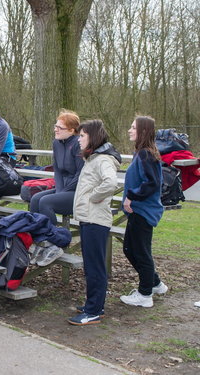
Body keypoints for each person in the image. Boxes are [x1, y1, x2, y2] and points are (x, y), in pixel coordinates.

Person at [68, 120, 120, 326]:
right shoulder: (93, 159)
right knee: (91, 265)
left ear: (92, 137)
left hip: (95, 219)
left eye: (82, 136)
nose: (78, 139)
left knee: (95, 266)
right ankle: (94, 304)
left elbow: (111, 183)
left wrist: (94, 198)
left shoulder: (102, 160)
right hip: (88, 218)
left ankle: (94, 311)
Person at [120, 116, 168, 308]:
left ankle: (145, 294)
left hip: (144, 211)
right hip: (138, 211)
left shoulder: (146, 154)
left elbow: (152, 183)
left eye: (133, 127)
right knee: (129, 249)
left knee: (140, 252)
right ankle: (155, 283)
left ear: (143, 131)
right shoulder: (141, 153)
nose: (130, 130)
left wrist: (132, 196)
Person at [29, 110, 84, 225]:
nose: (55, 129)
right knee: (35, 199)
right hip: (62, 188)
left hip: (77, 192)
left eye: (60, 127)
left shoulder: (78, 144)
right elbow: (57, 170)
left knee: (45, 202)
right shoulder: (56, 143)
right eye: (55, 126)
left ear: (71, 130)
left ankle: (53, 236)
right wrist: (59, 190)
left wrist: (63, 192)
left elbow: (80, 174)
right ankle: (36, 233)